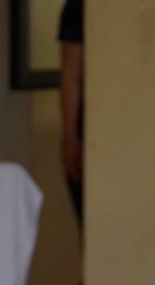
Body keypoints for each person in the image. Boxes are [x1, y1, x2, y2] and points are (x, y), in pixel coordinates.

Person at [57, 0, 84, 225]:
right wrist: (70, 136)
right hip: (90, 127)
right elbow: (71, 75)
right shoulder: (79, 6)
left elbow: (71, 74)